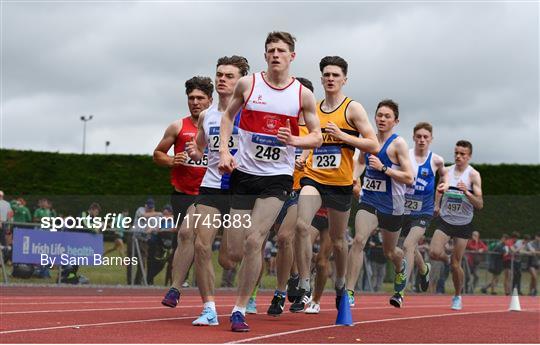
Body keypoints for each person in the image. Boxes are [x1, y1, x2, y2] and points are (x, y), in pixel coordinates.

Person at [218, 31, 322, 332]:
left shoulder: (301, 94)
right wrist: (225, 150)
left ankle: (239, 309)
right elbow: (227, 117)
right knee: (232, 253)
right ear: (265, 55)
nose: (276, 54)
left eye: (281, 50)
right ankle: (250, 274)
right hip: (244, 175)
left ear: (292, 56)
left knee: (254, 240)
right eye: (271, 50)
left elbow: (316, 135)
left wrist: (296, 139)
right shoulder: (248, 85)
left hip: (276, 178)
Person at [293, 56, 379, 312]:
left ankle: (341, 283)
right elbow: (311, 141)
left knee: (339, 241)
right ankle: (305, 283)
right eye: (326, 75)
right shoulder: (314, 108)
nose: (330, 78)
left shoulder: (353, 109)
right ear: (321, 79)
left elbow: (373, 144)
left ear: (344, 79)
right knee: (300, 225)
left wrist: (343, 136)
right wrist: (303, 158)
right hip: (314, 178)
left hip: (340, 182)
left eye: (335, 75)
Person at [180, 55, 250, 326]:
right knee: (200, 244)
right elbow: (199, 147)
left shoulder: (250, 111)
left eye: (229, 75)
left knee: (230, 258)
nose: (222, 79)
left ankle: (243, 279)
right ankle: (209, 309)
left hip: (240, 187)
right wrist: (195, 152)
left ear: (241, 81)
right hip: (211, 186)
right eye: (219, 74)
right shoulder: (207, 115)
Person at [345, 99, 414, 308]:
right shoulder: (369, 139)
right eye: (379, 115)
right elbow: (360, 163)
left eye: (387, 116)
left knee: (390, 252)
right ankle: (349, 292)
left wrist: (385, 169)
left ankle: (401, 268)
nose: (382, 119)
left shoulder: (398, 144)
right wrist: (354, 177)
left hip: (392, 206)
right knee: (358, 240)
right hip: (369, 200)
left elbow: (409, 177)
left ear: (395, 121)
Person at [155, 76, 213, 304]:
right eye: (191, 98)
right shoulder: (178, 126)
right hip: (182, 193)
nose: (195, 102)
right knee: (188, 237)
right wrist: (170, 160)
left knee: (189, 235)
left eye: (200, 98)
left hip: (210, 192)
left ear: (210, 99)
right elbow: (157, 153)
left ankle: (176, 288)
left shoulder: (221, 124)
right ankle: (181, 287)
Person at [266, 76, 316, 316]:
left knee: (286, 236)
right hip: (278, 189)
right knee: (283, 239)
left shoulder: (315, 129)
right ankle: (294, 277)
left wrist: (304, 160)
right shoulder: (281, 124)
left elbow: (318, 153)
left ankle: (282, 292)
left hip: (301, 191)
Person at [429, 140, 484, 310]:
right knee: (434, 252)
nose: (459, 156)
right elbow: (440, 188)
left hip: (463, 223)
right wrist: (436, 205)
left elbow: (480, 204)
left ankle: (458, 295)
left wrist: (466, 192)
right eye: (456, 153)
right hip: (446, 219)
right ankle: (446, 259)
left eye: (462, 154)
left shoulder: (473, 175)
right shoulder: (446, 171)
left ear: (469, 156)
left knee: (456, 264)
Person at [401, 122, 447, 297]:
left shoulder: (437, 160)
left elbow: (444, 178)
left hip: (424, 210)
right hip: (404, 208)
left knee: (407, 245)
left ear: (431, 139)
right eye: (418, 136)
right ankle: (423, 269)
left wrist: (438, 202)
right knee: (409, 246)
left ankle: (401, 290)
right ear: (413, 137)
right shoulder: (405, 155)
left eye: (425, 137)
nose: (422, 140)